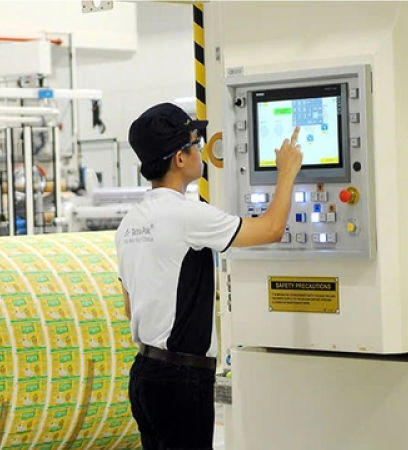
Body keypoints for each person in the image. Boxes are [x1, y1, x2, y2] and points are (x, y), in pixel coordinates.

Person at [115, 102, 303, 449]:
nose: (201, 151)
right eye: (195, 143)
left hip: (144, 375)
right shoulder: (188, 215)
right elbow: (272, 228)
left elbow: (131, 306)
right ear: (180, 158)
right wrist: (287, 172)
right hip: (181, 380)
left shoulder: (130, 222)